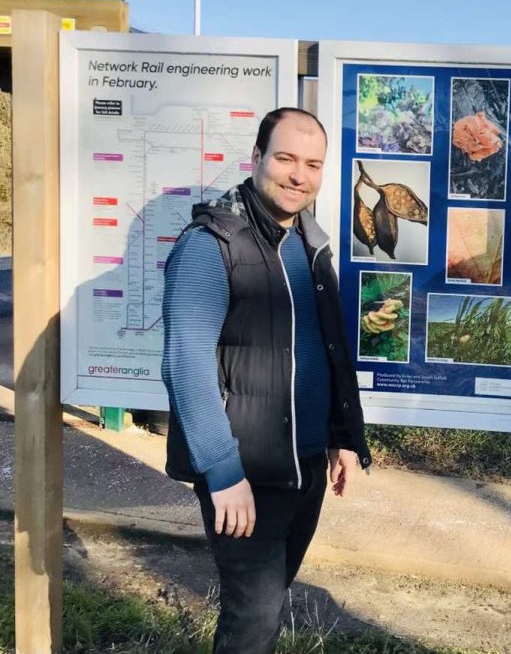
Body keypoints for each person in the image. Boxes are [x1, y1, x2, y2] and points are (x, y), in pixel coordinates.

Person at [162, 107, 371, 653]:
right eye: (285, 159)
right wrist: (223, 471)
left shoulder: (309, 242)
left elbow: (328, 350)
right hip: (245, 471)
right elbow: (185, 362)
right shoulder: (212, 244)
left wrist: (344, 437)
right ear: (257, 159)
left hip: (304, 467)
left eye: (313, 164)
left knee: (272, 603)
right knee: (251, 620)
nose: (298, 175)